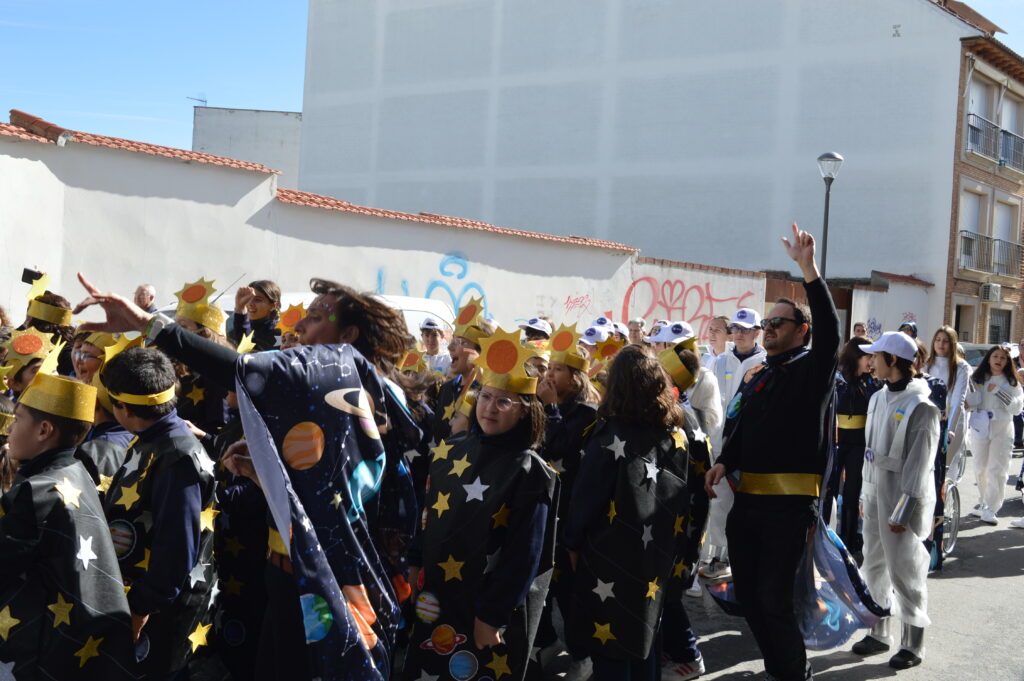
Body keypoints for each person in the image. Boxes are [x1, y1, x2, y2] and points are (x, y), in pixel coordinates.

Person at [705, 223, 840, 681]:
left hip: (788, 506)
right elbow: (741, 427)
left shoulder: (812, 369)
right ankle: (780, 666)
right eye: (765, 323)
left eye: (776, 323)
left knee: (774, 599)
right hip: (749, 505)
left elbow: (831, 336)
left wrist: (810, 272)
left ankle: (790, 672)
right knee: (748, 597)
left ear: (801, 331)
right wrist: (726, 460)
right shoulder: (758, 374)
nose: (767, 329)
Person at [403, 333, 557, 681]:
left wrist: (492, 615)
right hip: (436, 595)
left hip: (482, 603)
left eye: (504, 402)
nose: (489, 407)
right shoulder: (450, 449)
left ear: (524, 411)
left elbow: (524, 554)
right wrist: (414, 561)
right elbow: (427, 512)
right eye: (486, 396)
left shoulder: (529, 470)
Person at [564, 344, 691, 681]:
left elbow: (585, 501)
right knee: (645, 637)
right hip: (656, 557)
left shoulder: (608, 435)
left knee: (611, 650)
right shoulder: (676, 435)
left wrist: (573, 545)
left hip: (610, 558)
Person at [0, 371, 137, 679]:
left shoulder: (36, 493)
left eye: (18, 419)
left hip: (40, 645)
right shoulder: (75, 471)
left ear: (44, 430)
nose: (9, 428)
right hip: (81, 643)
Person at [101, 346, 218, 680]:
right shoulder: (154, 436)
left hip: (160, 613)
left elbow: (176, 550)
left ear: (121, 406)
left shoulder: (176, 455)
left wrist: (140, 608)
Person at [851, 331, 939, 669]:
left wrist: (904, 510)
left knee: (906, 571)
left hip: (902, 502)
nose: (870, 362)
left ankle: (913, 643)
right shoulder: (877, 398)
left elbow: (919, 468)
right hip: (874, 497)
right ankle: (879, 632)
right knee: (872, 564)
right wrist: (863, 495)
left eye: (876, 356)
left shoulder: (922, 407)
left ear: (893, 360)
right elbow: (869, 455)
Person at [534, 327, 600, 675]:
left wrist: (551, 409)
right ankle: (545, 640)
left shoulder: (588, 413)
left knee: (570, 590)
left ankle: (582, 655)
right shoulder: (546, 405)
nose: (549, 375)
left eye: (557, 370)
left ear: (574, 377)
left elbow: (562, 451)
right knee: (541, 581)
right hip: (545, 508)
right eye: (548, 369)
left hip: (572, 513)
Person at [704, 307, 767, 581]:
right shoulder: (721, 361)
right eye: (736, 329)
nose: (739, 334)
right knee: (719, 501)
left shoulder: (765, 362)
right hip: (721, 440)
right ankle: (720, 555)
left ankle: (741, 555)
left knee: (746, 501)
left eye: (746, 329)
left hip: (750, 442)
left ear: (757, 332)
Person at [828, 337, 880, 559]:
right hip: (837, 441)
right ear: (857, 356)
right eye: (869, 356)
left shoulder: (873, 382)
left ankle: (849, 542)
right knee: (829, 490)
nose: (871, 360)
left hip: (860, 443)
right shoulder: (837, 379)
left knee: (851, 493)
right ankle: (825, 536)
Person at [922, 326, 970, 566]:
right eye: (937, 340)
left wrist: (948, 430)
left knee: (938, 479)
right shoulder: (926, 364)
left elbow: (959, 399)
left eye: (945, 341)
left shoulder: (961, 367)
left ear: (952, 344)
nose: (940, 344)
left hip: (949, 425)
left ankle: (935, 545)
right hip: (926, 425)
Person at [964, 344, 1024, 525]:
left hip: (1002, 429)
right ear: (989, 359)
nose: (999, 360)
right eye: (995, 356)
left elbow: (1016, 408)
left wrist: (999, 392)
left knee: (997, 470)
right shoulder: (976, 379)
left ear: (1007, 362)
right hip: (980, 429)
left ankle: (991, 507)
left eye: (1003, 358)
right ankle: (983, 503)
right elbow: (969, 400)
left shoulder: (1012, 382)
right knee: (980, 468)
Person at [229, 280, 282, 351]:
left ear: (273, 305)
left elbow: (254, 353)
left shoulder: (279, 334)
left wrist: (240, 312)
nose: (250, 304)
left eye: (258, 300)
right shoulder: (233, 332)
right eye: (248, 299)